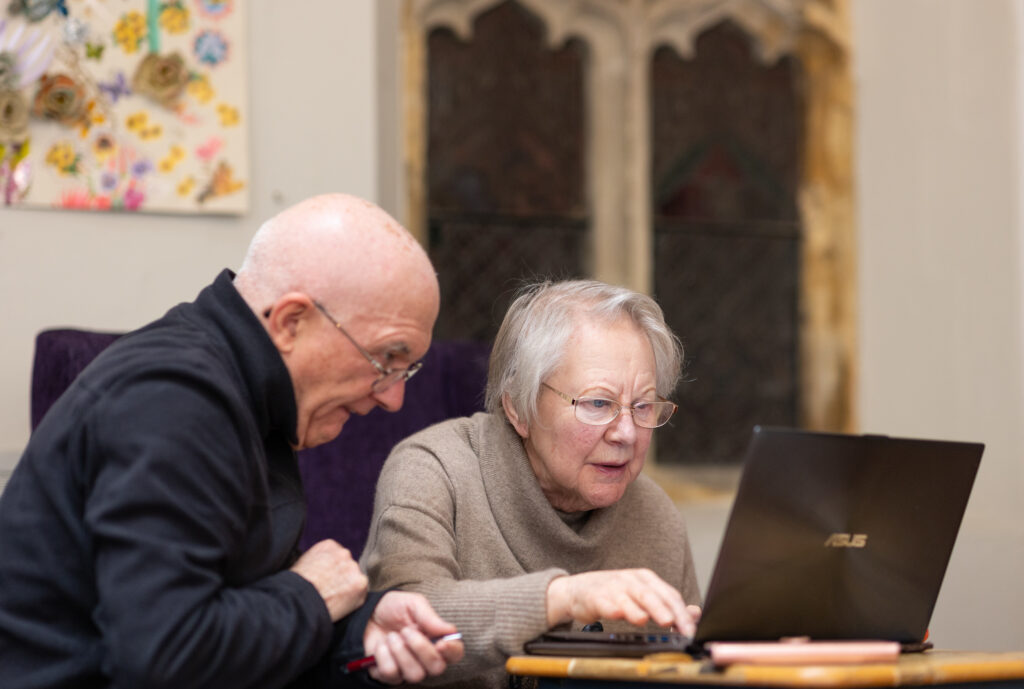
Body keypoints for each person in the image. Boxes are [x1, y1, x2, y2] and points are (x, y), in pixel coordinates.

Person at [0, 194, 464, 688]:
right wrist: (311, 596)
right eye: (386, 358)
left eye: (407, 367)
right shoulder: (174, 402)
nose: (394, 398)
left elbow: (241, 605)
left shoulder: (245, 391)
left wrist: (361, 626)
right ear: (290, 322)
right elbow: (163, 657)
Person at [360, 279, 702, 689]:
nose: (626, 433)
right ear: (518, 406)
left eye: (643, 405)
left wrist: (703, 655)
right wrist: (564, 597)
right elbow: (407, 623)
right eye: (598, 403)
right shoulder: (433, 471)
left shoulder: (654, 513)